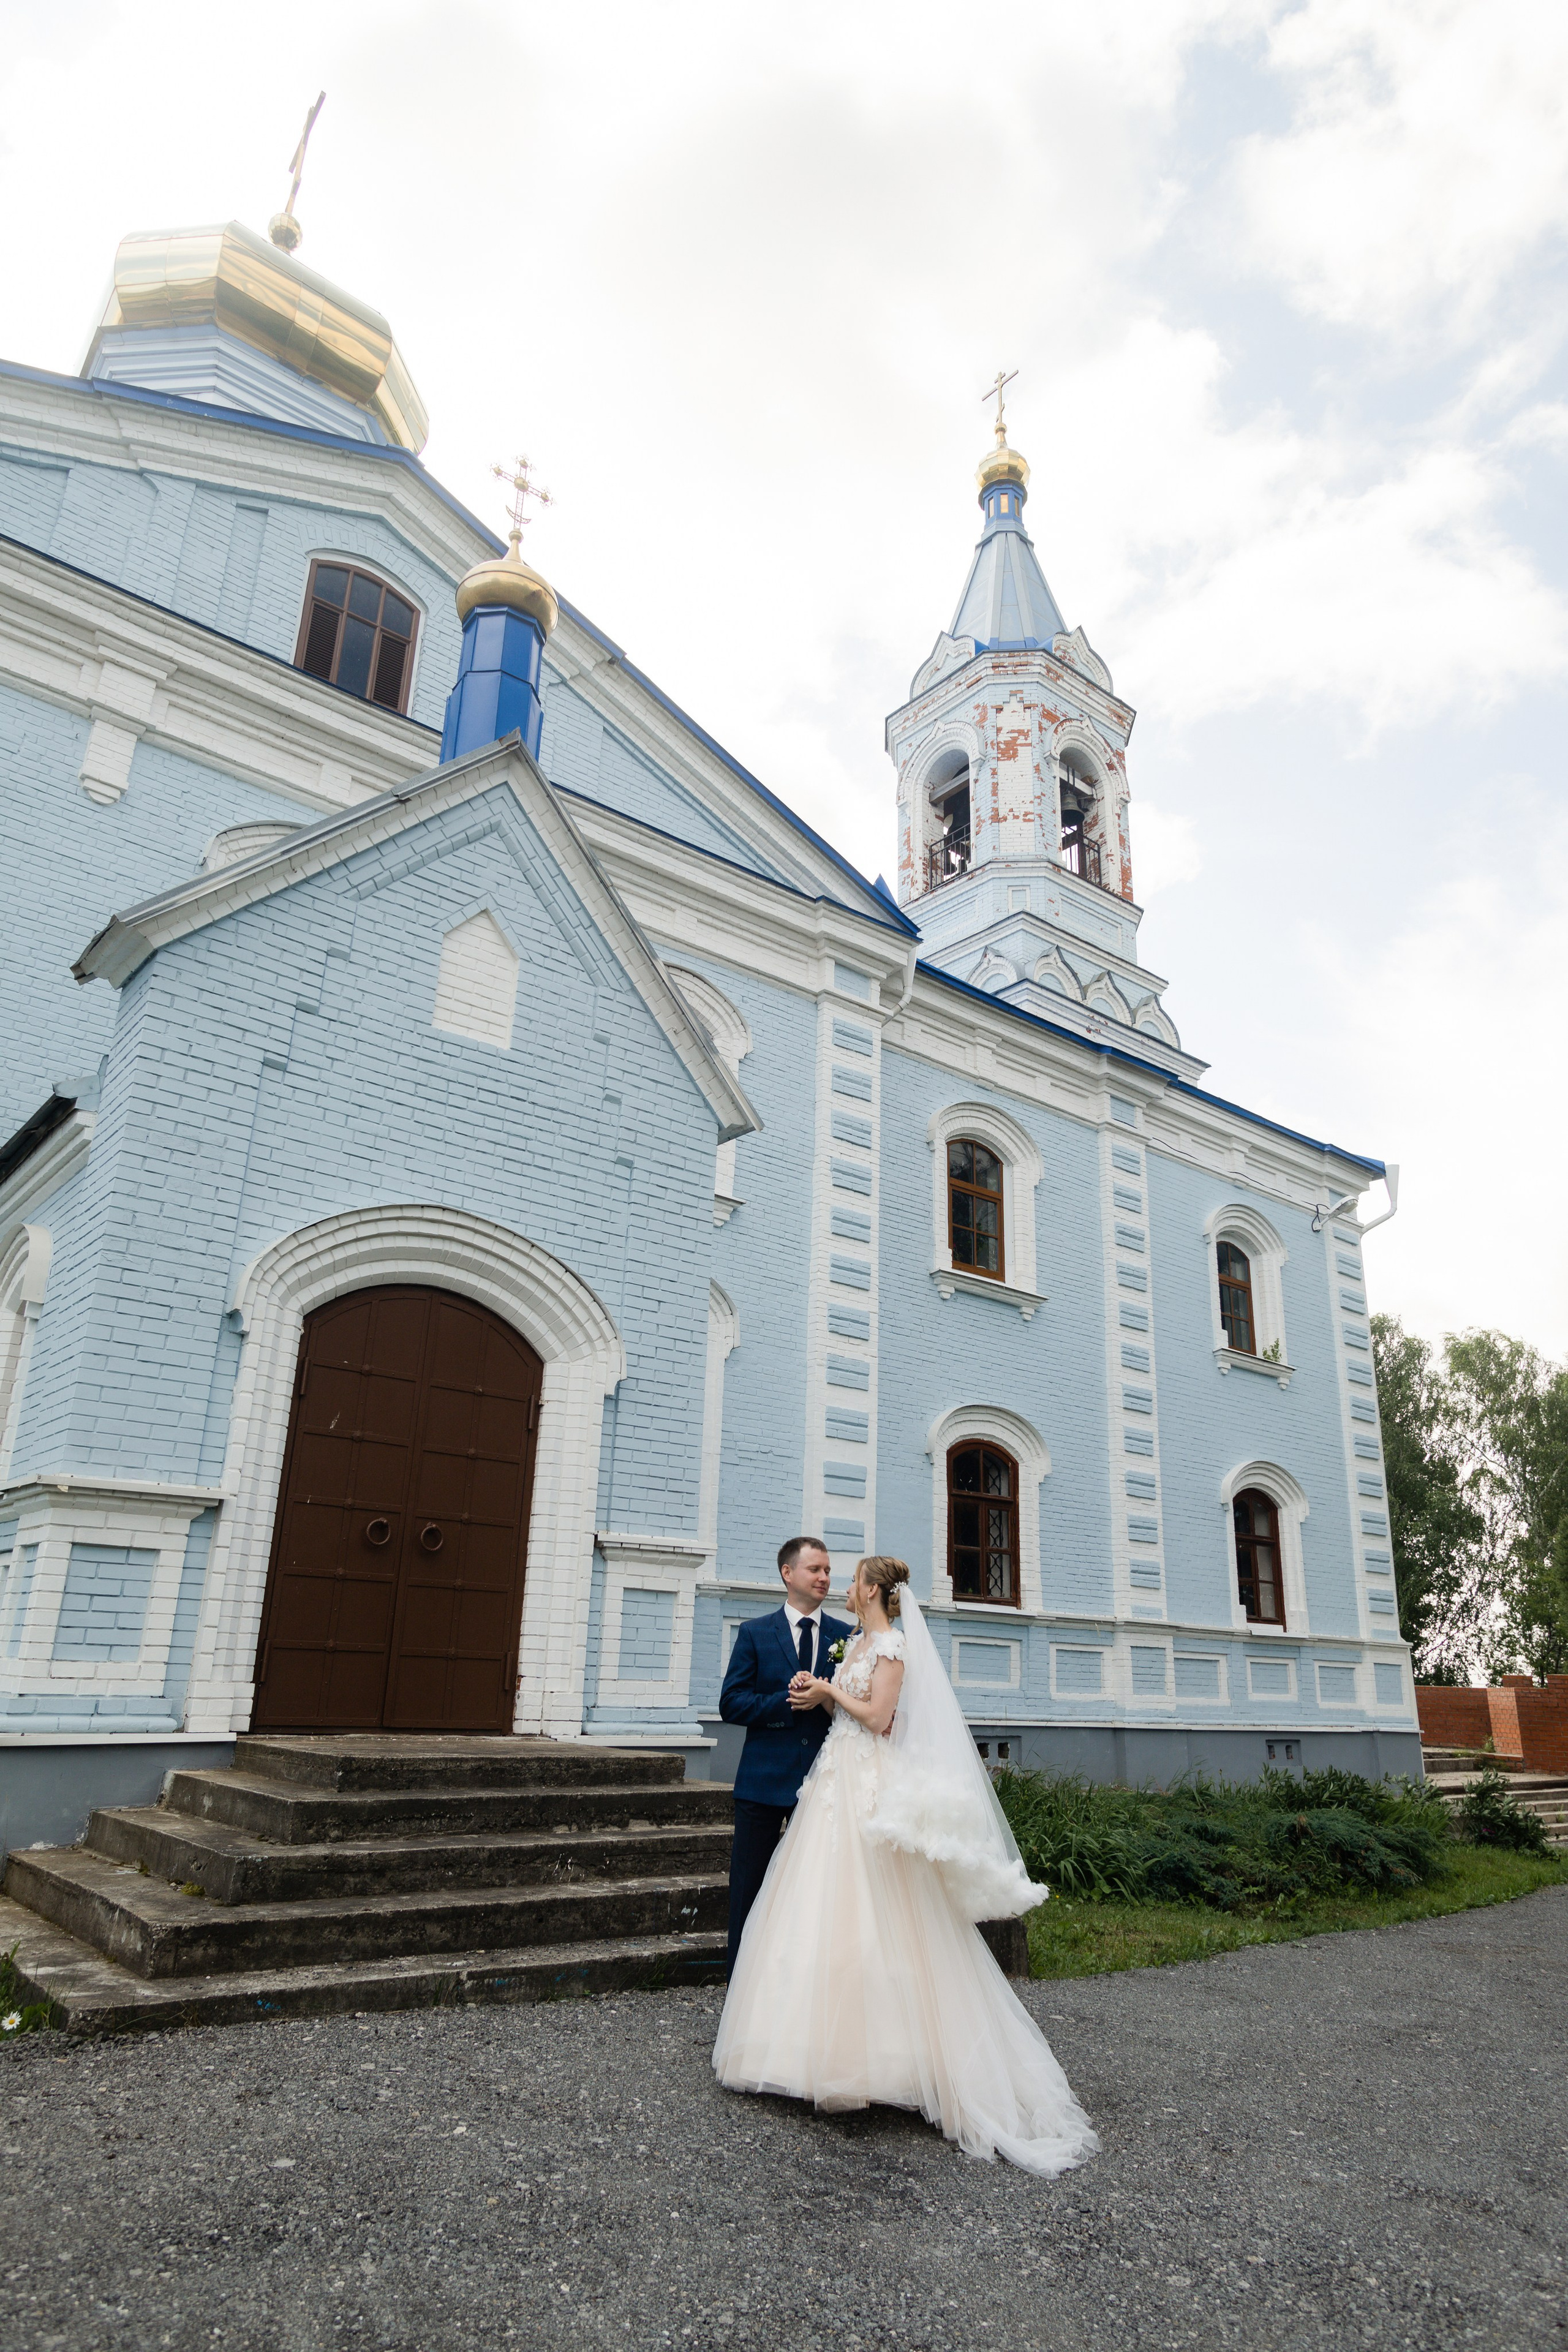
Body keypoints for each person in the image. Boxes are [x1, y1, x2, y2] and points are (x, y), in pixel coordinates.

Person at [713, 1555, 1098, 2176]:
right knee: (817, 1904)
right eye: (819, 1569)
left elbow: (880, 1718)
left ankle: (892, 2057)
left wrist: (829, 1690)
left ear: (869, 1589)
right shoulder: (856, 1640)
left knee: (878, 1908)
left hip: (864, 1781)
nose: (836, 1583)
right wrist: (823, 1694)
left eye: (846, 1576)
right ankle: (803, 2046)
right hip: (833, 1779)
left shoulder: (888, 1644)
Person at [718, 1535, 854, 1977]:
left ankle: (800, 1988)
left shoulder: (846, 1637)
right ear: (788, 1573)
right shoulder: (756, 1632)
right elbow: (732, 1703)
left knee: (813, 1893)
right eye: (815, 1569)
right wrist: (787, 1701)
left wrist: (829, 1699)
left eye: (828, 1571)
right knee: (749, 1890)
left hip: (822, 1784)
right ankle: (740, 1985)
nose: (824, 1578)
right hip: (761, 1782)